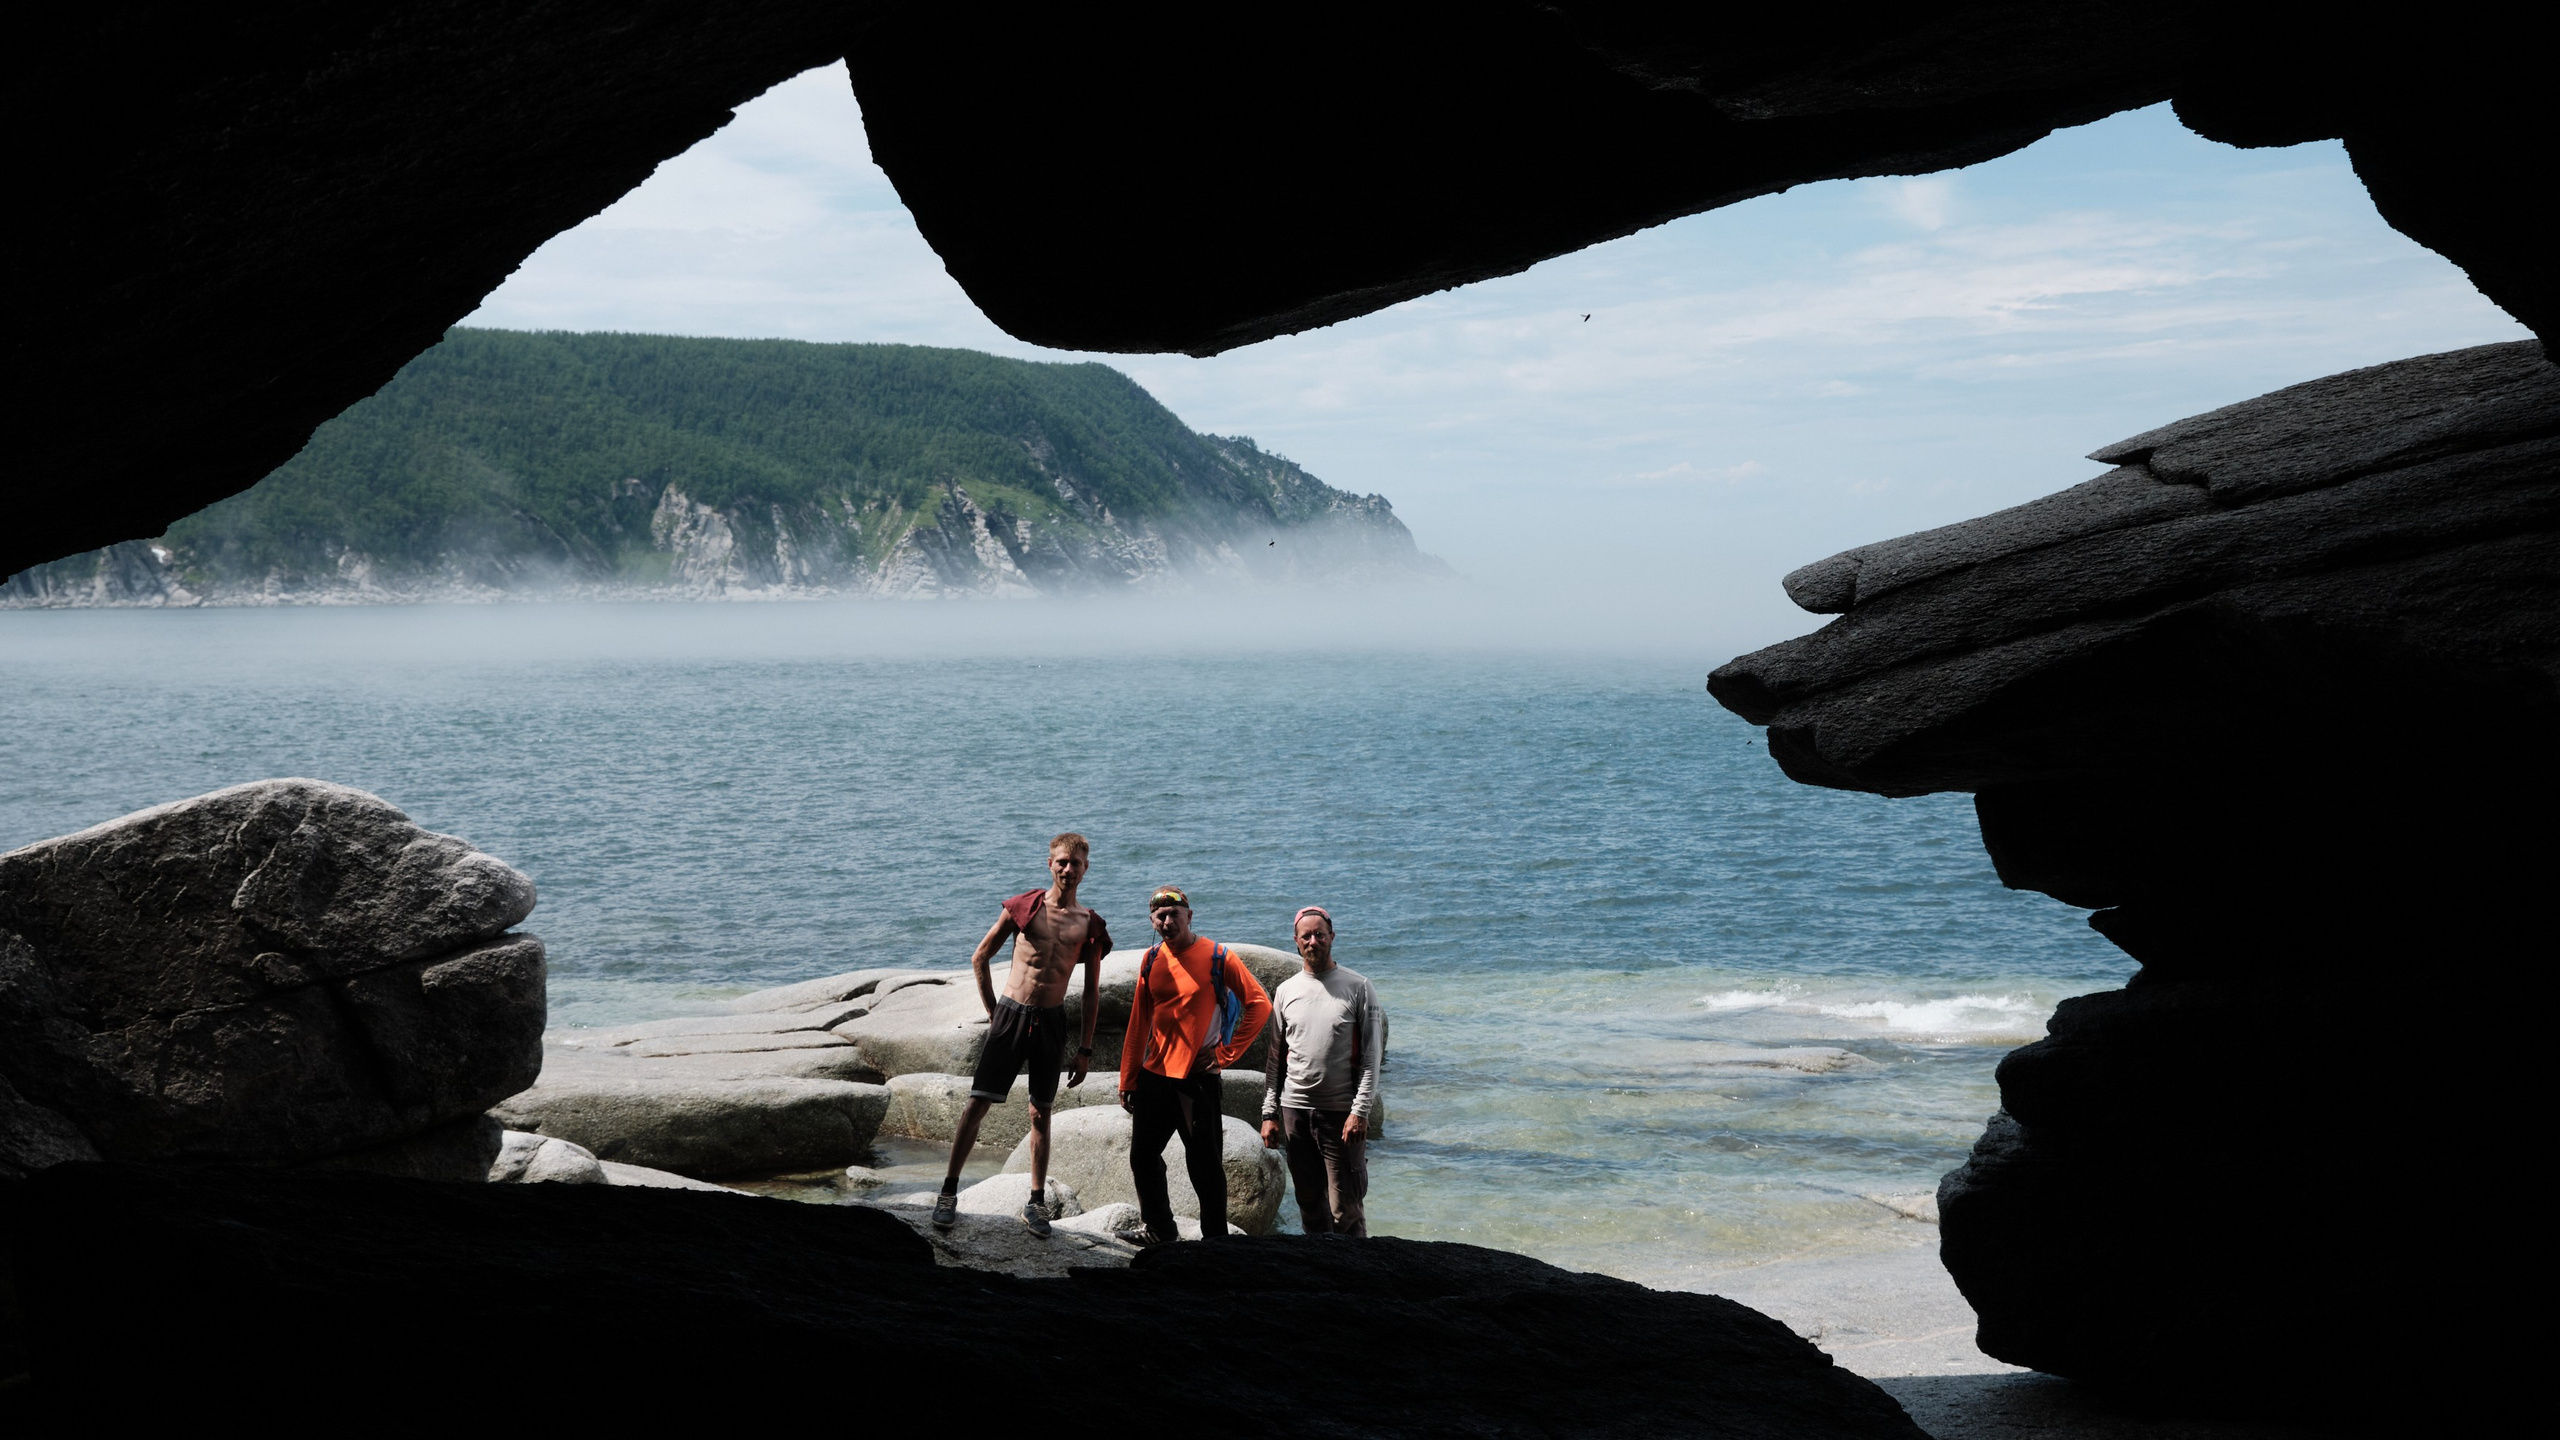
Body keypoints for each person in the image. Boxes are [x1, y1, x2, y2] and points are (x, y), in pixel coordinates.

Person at [932, 832, 1113, 1237]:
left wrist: (1085, 1048)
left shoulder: (1090, 925)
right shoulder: (1025, 907)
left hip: (1051, 1021)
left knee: (1041, 1112)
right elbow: (981, 956)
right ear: (1049, 864)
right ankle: (948, 1192)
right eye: (1062, 862)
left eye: (1076, 863)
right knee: (977, 1104)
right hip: (1012, 1015)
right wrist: (994, 1012)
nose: (1068, 869)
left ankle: (1036, 1203)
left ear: (1087, 869)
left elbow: (1089, 993)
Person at [1120, 885, 1269, 1244]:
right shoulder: (1152, 959)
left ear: (1189, 915)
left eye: (1174, 914)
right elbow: (1139, 1020)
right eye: (1160, 916)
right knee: (1142, 1157)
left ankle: (1215, 1240)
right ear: (1152, 920)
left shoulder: (1217, 956)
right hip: (1155, 1076)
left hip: (1196, 1080)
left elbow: (1260, 1004)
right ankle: (1160, 1228)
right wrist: (1128, 1077)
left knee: (1203, 1166)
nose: (1167, 921)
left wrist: (1224, 1054)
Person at [1259, 906, 1383, 1236]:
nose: (1313, 941)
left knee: (1346, 1211)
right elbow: (1276, 1059)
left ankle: (1356, 1281)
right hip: (1295, 1113)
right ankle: (1319, 1280)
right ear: (1296, 942)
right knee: (1310, 1205)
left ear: (1332, 937)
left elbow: (1372, 1058)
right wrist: (1269, 1113)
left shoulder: (1359, 987)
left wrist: (1360, 1112)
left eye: (1320, 934)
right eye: (1306, 936)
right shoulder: (1286, 991)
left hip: (1342, 1115)